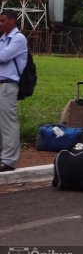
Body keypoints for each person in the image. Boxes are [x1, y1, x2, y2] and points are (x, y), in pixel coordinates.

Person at [0, 9, 28, 172]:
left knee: (8, 123)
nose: (1, 24)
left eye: (3, 21)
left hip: (8, 85)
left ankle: (9, 160)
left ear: (12, 21)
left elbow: (3, 57)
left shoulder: (18, 39)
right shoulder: (4, 39)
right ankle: (3, 155)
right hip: (2, 84)